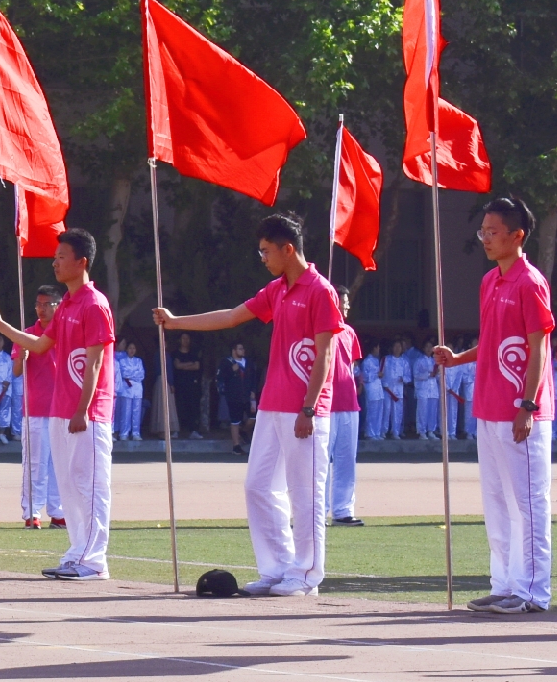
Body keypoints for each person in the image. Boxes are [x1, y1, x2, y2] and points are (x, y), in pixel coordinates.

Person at [157, 214, 343, 595]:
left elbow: (326, 354)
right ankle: (276, 568)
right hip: (272, 407)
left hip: (304, 410)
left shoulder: (320, 291)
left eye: (266, 251)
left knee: (305, 494)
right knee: (257, 486)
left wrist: (308, 408)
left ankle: (306, 575)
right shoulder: (277, 290)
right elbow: (230, 317)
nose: (263, 258)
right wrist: (177, 323)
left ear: (287, 249)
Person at [430, 195, 555, 615]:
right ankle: (503, 585)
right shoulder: (491, 281)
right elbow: (494, 342)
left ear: (517, 236)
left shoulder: (530, 282)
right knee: (497, 501)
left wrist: (528, 403)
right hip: (488, 406)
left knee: (529, 501)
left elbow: (538, 347)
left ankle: (533, 592)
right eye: (482, 231)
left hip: (520, 410)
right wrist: (458, 358)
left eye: (492, 231)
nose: (485, 238)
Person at [0, 229, 114, 579]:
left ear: (81, 262)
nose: (55, 261)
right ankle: (78, 552)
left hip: (87, 414)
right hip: (60, 411)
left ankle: (94, 560)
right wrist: (3, 326)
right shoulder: (68, 307)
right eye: (55, 256)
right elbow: (40, 345)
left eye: (62, 256)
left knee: (89, 484)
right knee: (71, 485)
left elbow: (95, 362)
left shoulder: (94, 304)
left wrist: (82, 409)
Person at [16, 285, 63, 529]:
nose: (41, 309)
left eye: (46, 304)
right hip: (34, 409)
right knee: (35, 463)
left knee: (59, 464)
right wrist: (23, 355)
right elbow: (15, 371)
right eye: (38, 304)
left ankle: (58, 511)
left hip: (60, 409)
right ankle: (31, 512)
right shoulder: (27, 334)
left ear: (58, 305)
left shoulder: (64, 333)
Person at [327, 289, 363, 528]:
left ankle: (343, 510)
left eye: (348, 303)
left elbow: (351, 365)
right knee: (321, 460)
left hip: (349, 404)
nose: (347, 307)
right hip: (326, 405)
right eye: (344, 303)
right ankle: (317, 511)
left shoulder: (349, 332)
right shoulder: (322, 330)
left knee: (346, 459)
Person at [216, 341, 258, 454]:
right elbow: (220, 378)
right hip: (233, 396)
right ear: (234, 351)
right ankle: (236, 446)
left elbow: (254, 377)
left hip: (247, 396)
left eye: (243, 348)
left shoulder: (248, 362)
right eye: (240, 349)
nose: (242, 351)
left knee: (253, 418)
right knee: (235, 420)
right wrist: (231, 371)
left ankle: (243, 431)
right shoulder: (226, 362)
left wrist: (253, 391)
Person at [167, 332, 204, 439]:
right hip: (179, 385)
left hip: (193, 385)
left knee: (193, 407)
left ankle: (194, 430)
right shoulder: (174, 354)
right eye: (183, 338)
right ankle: (176, 430)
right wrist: (189, 364)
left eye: (187, 338)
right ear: (179, 340)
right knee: (179, 406)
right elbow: (176, 366)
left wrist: (182, 365)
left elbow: (197, 366)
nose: (185, 340)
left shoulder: (194, 353)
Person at [114, 339, 145, 441]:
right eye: (130, 348)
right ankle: (124, 433)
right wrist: (134, 374)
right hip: (126, 389)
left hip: (137, 389)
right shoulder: (122, 361)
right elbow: (124, 373)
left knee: (137, 411)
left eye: (133, 348)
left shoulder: (139, 361)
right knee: (125, 412)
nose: (132, 350)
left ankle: (136, 433)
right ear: (126, 349)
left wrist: (132, 374)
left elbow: (141, 375)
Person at [381, 335, 410, 438]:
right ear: (392, 348)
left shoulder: (405, 362)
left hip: (398, 390)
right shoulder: (386, 359)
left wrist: (404, 379)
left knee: (397, 412)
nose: (397, 349)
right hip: (387, 389)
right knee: (386, 410)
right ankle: (383, 431)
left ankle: (395, 432)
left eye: (399, 347)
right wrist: (385, 385)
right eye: (395, 346)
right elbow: (381, 373)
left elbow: (409, 377)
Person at [360, 340, 387, 440]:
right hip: (371, 389)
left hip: (378, 389)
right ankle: (370, 433)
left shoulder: (377, 360)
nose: (379, 349)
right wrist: (377, 375)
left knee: (379, 411)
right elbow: (365, 376)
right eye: (377, 347)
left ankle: (377, 432)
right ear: (373, 348)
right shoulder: (367, 361)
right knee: (372, 411)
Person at [445, 355, 475, 440]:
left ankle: (474, 432)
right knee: (468, 412)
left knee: (454, 412)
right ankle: (468, 432)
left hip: (477, 390)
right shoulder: (466, 363)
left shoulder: (481, 360)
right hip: (468, 389)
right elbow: (463, 377)